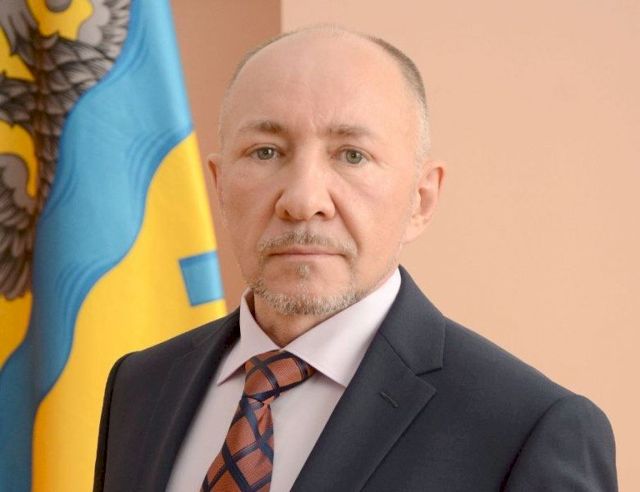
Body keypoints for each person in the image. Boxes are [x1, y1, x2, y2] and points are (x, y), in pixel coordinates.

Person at [93, 26, 617, 491]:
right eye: (265, 152)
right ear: (220, 184)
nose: (303, 200)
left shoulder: (528, 430)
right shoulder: (139, 386)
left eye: (352, 155)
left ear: (421, 200)